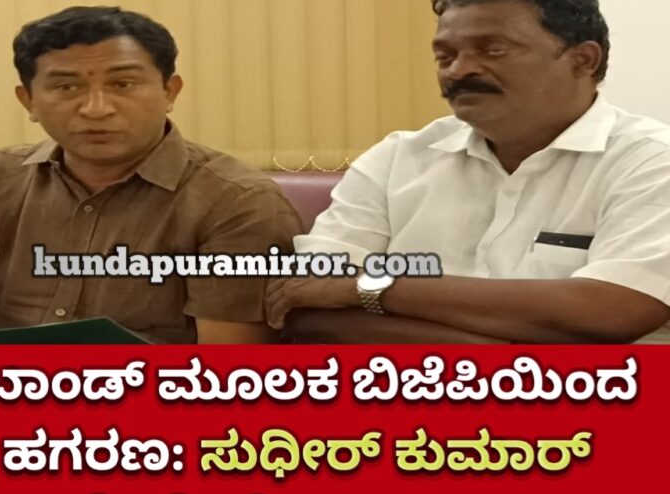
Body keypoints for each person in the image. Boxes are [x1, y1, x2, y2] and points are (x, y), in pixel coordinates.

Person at [0, 6, 302, 343]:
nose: (96, 108)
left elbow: (229, 371)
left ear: (169, 91)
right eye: (66, 87)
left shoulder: (237, 201)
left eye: (123, 84)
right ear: (29, 100)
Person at [266, 0, 670, 344]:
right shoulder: (397, 158)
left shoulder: (651, 161)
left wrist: (372, 287)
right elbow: (307, 303)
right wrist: (519, 360)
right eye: (445, 56)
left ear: (583, 59)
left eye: (493, 50)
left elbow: (616, 309)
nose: (458, 71)